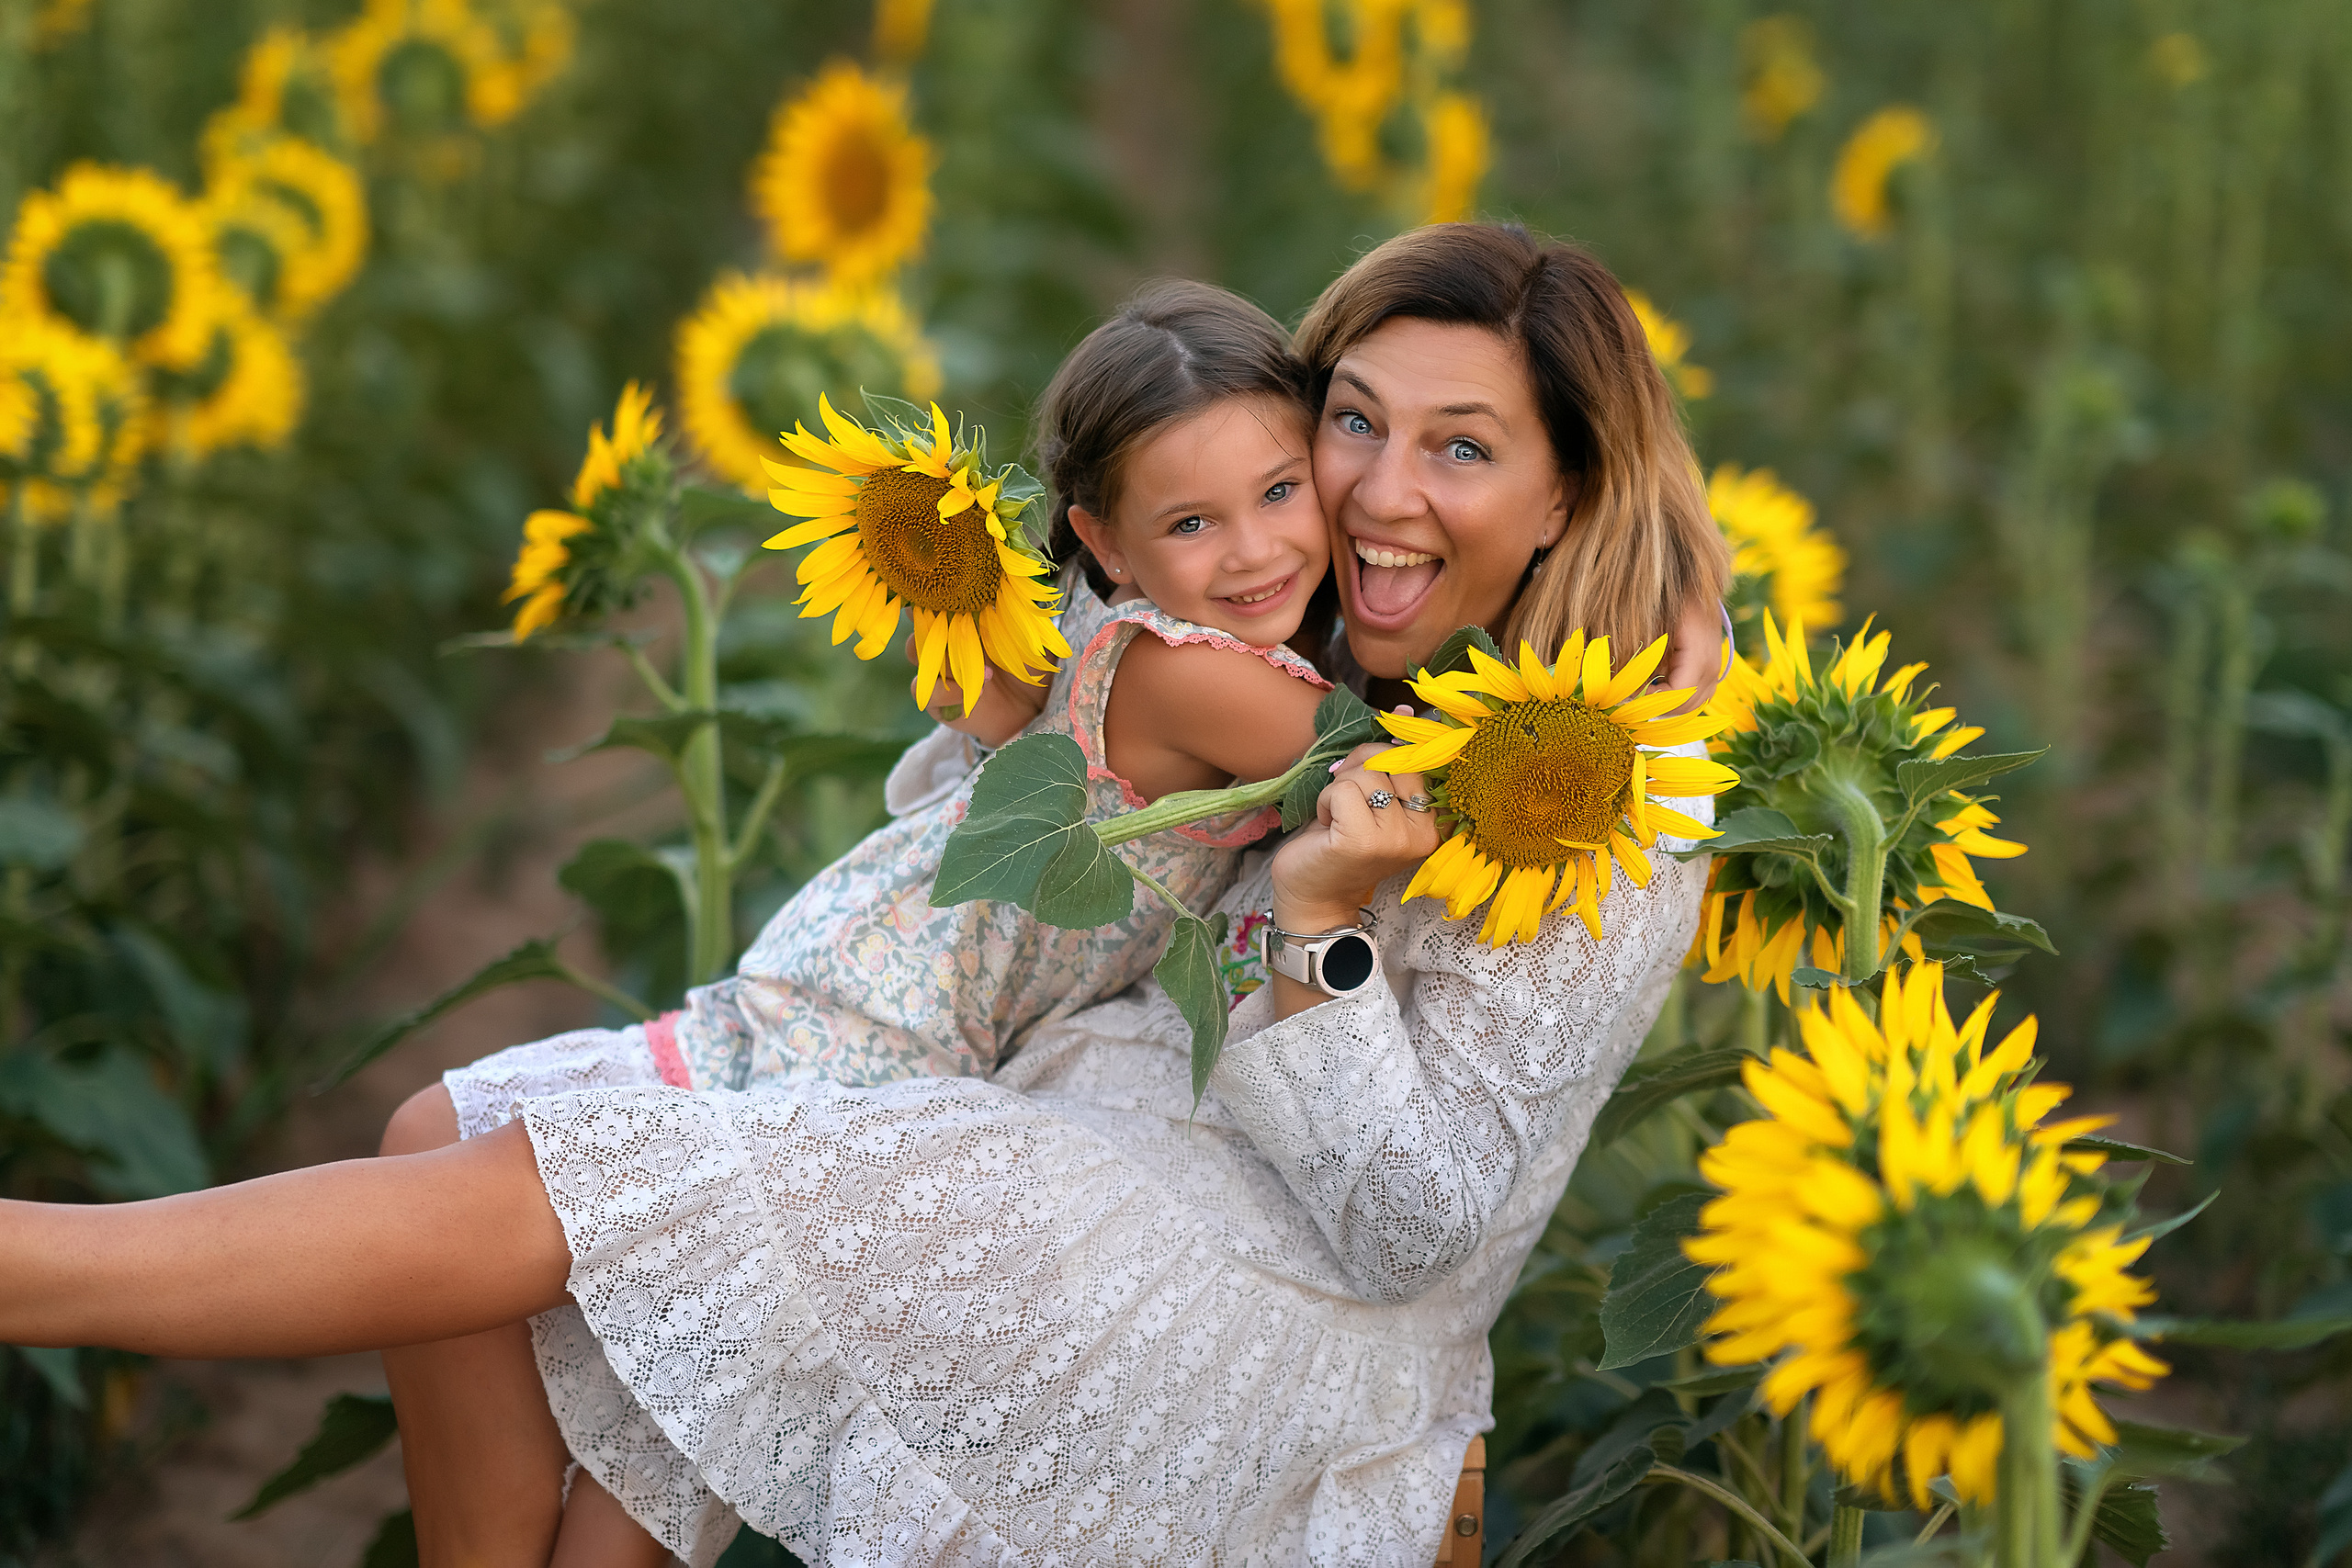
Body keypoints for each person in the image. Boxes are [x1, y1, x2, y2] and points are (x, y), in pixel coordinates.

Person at [0, 223, 1731, 1568]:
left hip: (1271, 1305)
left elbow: (1412, 1229)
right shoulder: (1338, 620)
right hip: (1055, 1122)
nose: (1371, 489)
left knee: (638, 1209)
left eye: (1461, 447)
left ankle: (37, 1272)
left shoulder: (1610, 786)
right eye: (1352, 421)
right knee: (460, 1130)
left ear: (1570, 483)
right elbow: (1062, 781)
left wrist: (1318, 929)